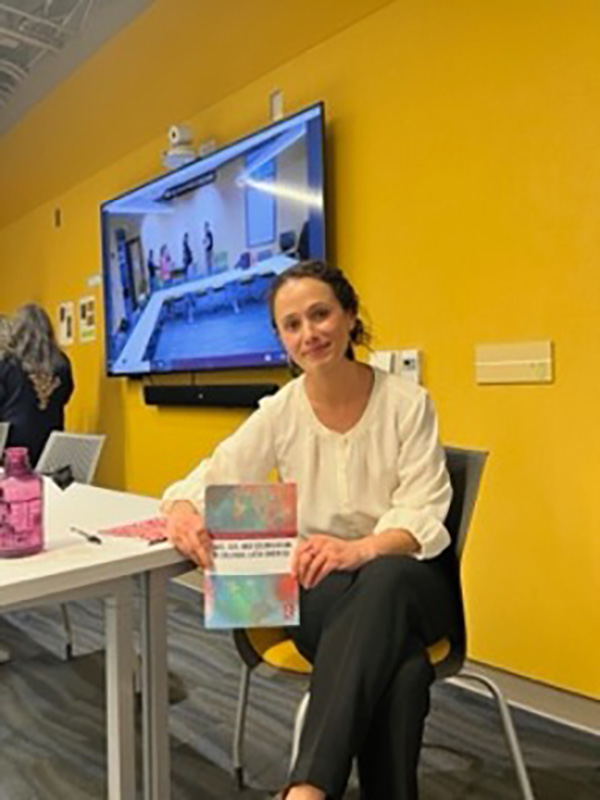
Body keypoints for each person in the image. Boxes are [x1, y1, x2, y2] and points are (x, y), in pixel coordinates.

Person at [162, 260, 463, 800]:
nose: (309, 333)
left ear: (349, 317)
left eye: (320, 314)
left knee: (386, 579)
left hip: (411, 579)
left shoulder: (408, 403)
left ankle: (307, 788)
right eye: (292, 324)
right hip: (321, 586)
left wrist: (361, 550)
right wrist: (183, 511)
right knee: (403, 672)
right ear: (281, 338)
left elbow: (424, 508)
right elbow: (210, 477)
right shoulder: (280, 411)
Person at [0, 304, 74, 467]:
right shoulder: (62, 363)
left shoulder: (8, 362)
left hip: (12, 451)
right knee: (57, 484)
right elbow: (66, 396)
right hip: (52, 450)